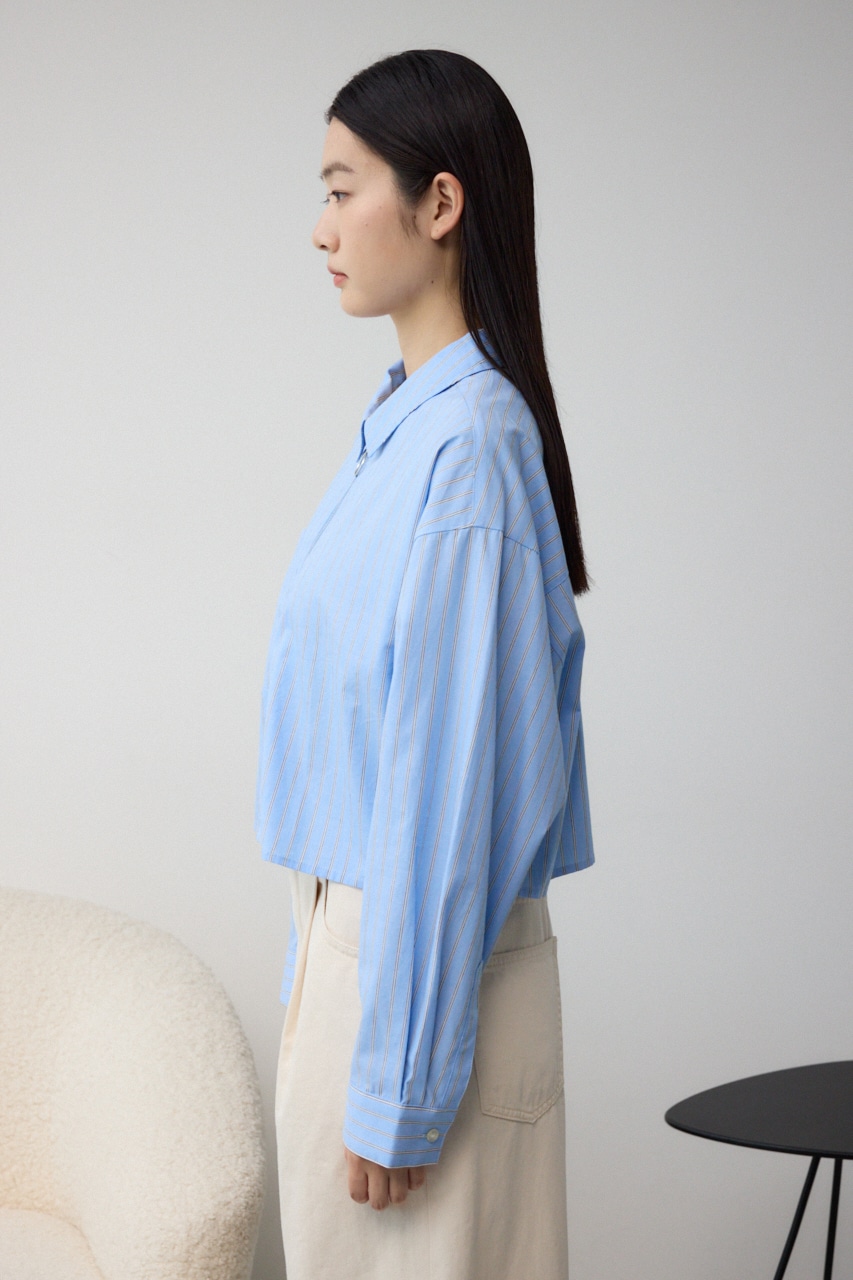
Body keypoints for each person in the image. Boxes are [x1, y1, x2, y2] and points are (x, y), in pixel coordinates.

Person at [256, 49, 594, 1280]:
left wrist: (400, 1082)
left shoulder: (469, 449)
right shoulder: (405, 430)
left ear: (439, 202)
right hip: (356, 958)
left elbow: (448, 795)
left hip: (408, 978)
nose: (321, 227)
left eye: (343, 189)